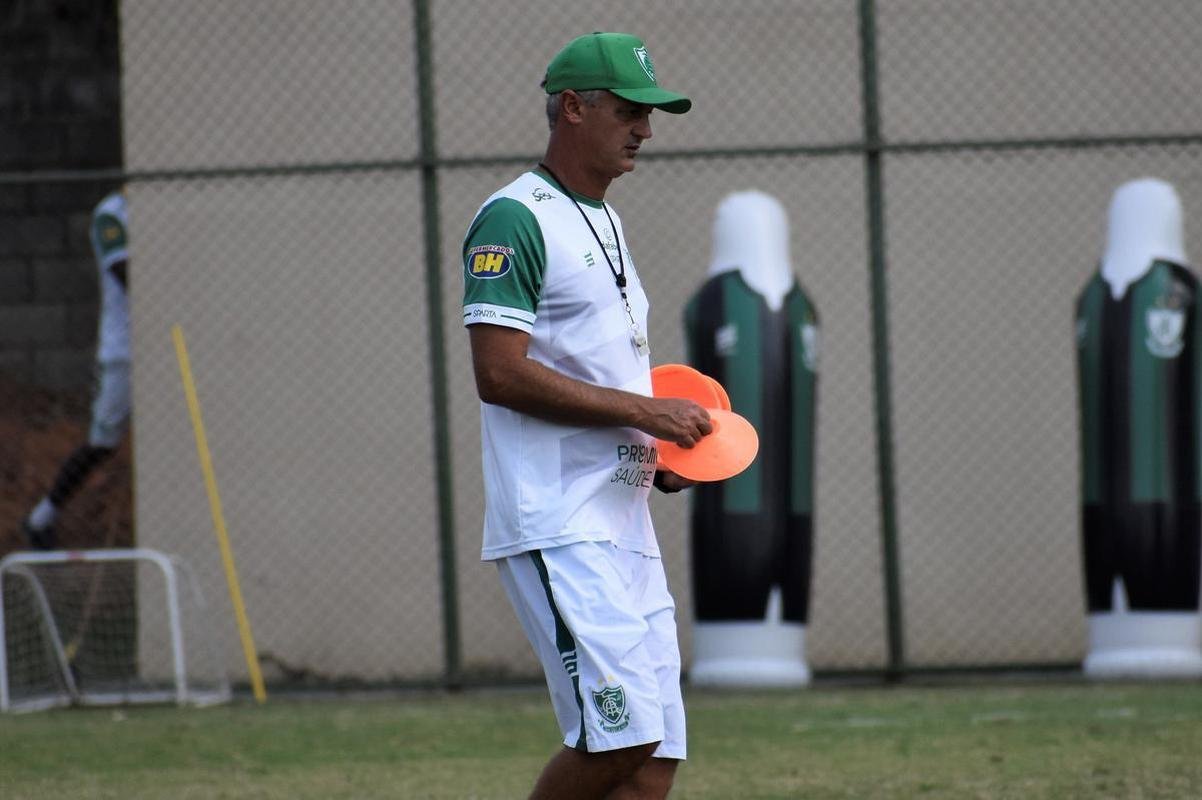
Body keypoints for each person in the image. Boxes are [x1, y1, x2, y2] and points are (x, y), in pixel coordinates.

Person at [461, 32, 709, 800]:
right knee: (618, 738)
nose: (645, 128)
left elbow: (599, 370)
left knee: (655, 761)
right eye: (630, 110)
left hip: (624, 518)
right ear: (573, 107)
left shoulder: (606, 220)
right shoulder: (514, 218)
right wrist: (646, 411)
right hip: (558, 520)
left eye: (651, 112)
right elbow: (498, 375)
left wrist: (660, 450)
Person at [22, 189, 131, 550]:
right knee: (102, 442)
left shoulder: (170, 204)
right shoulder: (112, 214)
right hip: (124, 352)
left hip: (170, 342)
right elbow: (126, 274)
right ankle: (42, 518)